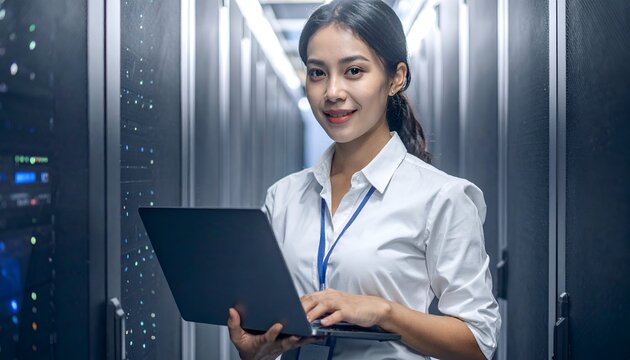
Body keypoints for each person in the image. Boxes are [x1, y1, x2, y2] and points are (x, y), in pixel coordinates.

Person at [227, 0, 501, 359]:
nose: (332, 92)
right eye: (317, 73)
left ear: (395, 77)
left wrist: (385, 313)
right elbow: (271, 323)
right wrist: (257, 350)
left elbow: (479, 343)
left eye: (353, 71)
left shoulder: (441, 197)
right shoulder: (285, 196)